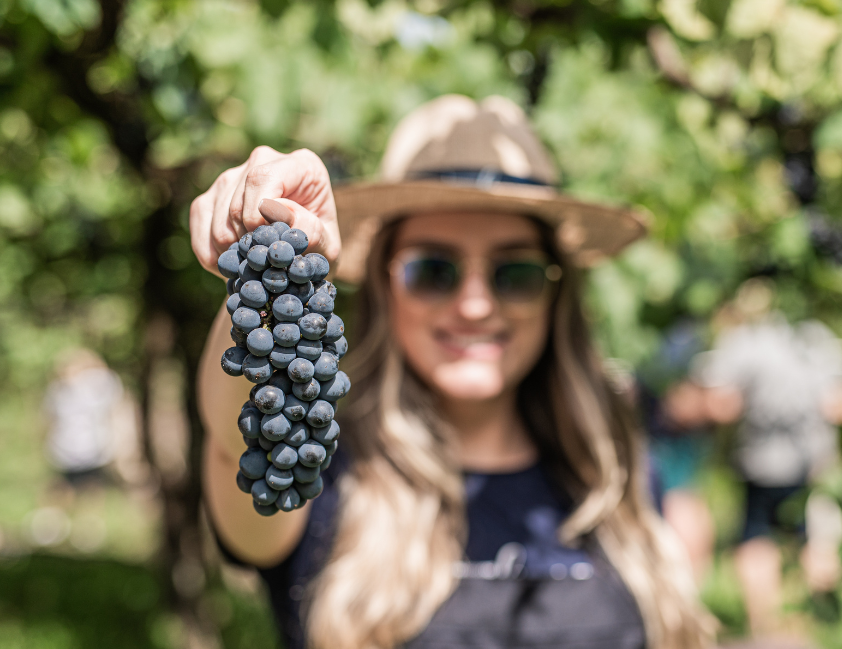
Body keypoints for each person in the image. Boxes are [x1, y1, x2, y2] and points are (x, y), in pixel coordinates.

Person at [191, 95, 713, 649]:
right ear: (384, 283)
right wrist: (267, 244)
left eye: (515, 273)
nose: (475, 305)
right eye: (433, 270)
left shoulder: (613, 474)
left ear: (556, 295)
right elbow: (239, 433)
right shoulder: (321, 465)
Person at [692, 278, 842, 638]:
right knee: (815, 537)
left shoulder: (745, 340)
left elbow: (720, 404)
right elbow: (835, 405)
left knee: (756, 539)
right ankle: (816, 623)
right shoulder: (815, 336)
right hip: (813, 462)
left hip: (761, 462)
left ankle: (768, 629)